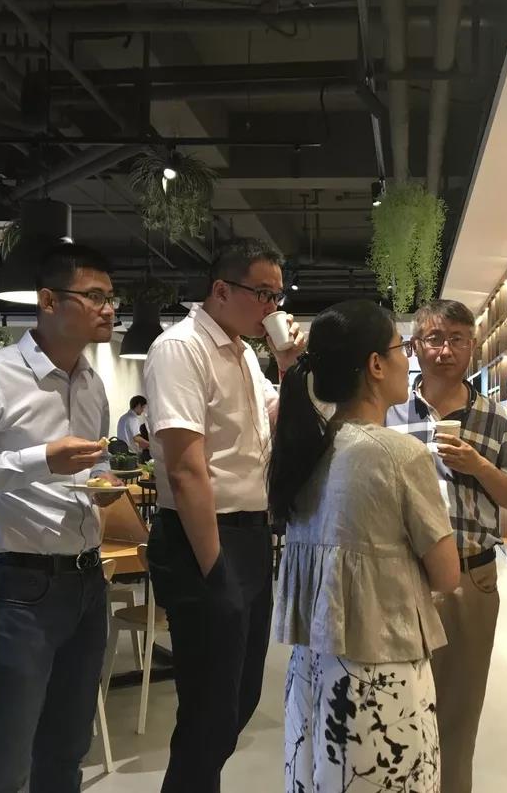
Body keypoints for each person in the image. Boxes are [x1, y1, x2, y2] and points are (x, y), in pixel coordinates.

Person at [0, 241, 122, 793]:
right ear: (48, 301)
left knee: (67, 753)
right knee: (4, 761)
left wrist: (102, 485)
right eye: (95, 296)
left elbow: (93, 464)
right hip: (20, 587)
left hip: (87, 581)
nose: (109, 309)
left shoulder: (92, 383)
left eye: (112, 298)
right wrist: (41, 459)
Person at [270, 299, 460, 792]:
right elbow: (447, 574)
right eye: (401, 348)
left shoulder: (305, 450)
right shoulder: (399, 454)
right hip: (381, 674)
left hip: (313, 672)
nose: (407, 358)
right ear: (376, 364)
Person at [143, 237, 305, 792]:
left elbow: (274, 425)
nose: (272, 306)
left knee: (239, 697)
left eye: (277, 296)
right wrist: (215, 570)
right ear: (220, 289)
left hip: (251, 536)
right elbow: (186, 469)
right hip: (204, 538)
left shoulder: (242, 354)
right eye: (263, 293)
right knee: (210, 706)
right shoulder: (180, 348)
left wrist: (288, 366)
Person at [386, 298, 507, 793]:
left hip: (471, 577)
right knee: (397, 712)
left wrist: (479, 466)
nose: (445, 350)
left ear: (473, 346)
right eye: (434, 339)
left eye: (457, 339)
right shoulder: (389, 413)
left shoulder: (495, 417)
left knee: (457, 718)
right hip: (401, 577)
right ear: (414, 347)